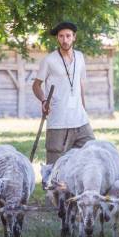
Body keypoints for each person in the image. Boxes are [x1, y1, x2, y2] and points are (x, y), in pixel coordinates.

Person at [32, 21, 95, 164]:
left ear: (74, 37)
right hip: (58, 121)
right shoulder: (49, 60)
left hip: (80, 121)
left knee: (91, 157)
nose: (64, 40)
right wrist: (43, 100)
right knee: (55, 167)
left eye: (68, 36)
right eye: (61, 36)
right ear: (57, 38)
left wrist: (84, 110)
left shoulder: (80, 57)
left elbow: (80, 85)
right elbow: (36, 86)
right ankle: (52, 186)